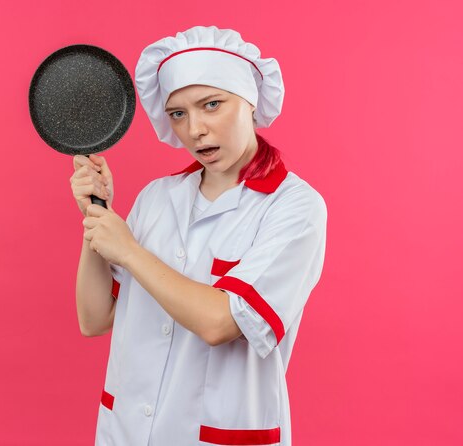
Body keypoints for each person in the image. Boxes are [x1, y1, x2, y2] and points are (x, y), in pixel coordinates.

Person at [70, 25, 327, 446]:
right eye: (178, 113)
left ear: (249, 101)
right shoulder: (157, 197)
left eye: (212, 105)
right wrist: (96, 218)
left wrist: (129, 250)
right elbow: (94, 319)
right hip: (128, 432)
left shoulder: (294, 207)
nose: (195, 130)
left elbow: (220, 322)